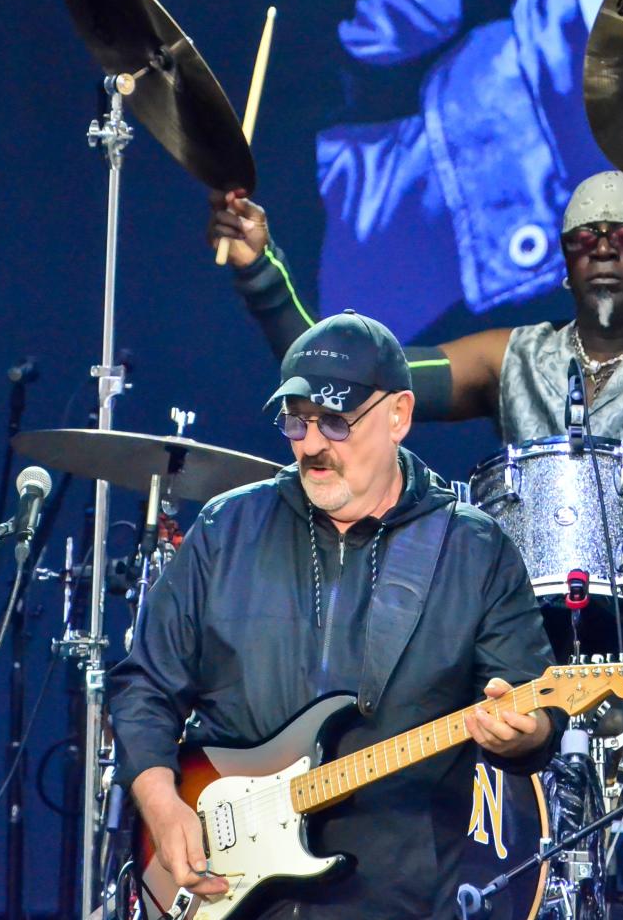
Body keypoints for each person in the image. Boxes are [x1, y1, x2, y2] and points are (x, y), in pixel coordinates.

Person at [209, 171, 623, 842]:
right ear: (564, 263)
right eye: (583, 238)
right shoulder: (512, 355)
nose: (602, 248)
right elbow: (355, 380)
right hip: (517, 645)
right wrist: (262, 276)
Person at [108, 310, 564, 919]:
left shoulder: (471, 549)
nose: (312, 444)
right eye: (296, 422)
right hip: (233, 889)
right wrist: (162, 803)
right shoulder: (227, 529)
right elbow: (145, 684)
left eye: (335, 423)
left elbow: (539, 710)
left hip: (397, 894)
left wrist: (527, 733)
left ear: (399, 415)